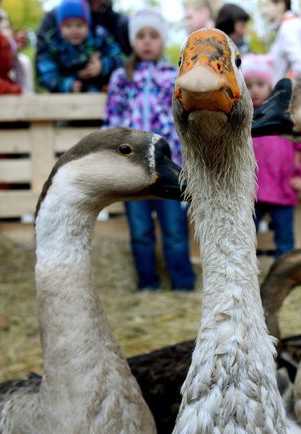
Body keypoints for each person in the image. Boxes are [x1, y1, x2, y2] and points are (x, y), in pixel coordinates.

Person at [105, 8, 196, 291]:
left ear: (162, 40)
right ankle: (148, 285)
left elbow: (184, 121)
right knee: (141, 232)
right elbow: (112, 121)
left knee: (174, 231)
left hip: (170, 167)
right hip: (133, 169)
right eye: (141, 36)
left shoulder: (175, 76)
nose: (147, 42)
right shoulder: (122, 77)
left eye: (153, 36)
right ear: (133, 40)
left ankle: (183, 286)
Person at [243, 54, 301, 258]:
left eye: (260, 84)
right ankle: (244, 282)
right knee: (244, 240)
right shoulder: (241, 120)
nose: (254, 90)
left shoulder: (285, 118)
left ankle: (284, 276)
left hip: (282, 190)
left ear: (270, 86)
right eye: (248, 85)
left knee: (285, 241)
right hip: (249, 193)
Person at [36, 0, 124, 93]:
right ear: (60, 27)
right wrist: (68, 84)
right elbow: (45, 73)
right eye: (68, 26)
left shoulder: (98, 36)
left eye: (79, 25)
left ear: (88, 25)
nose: (74, 30)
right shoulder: (53, 43)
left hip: (98, 93)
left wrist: (102, 65)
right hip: (64, 97)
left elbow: (120, 59)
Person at [261, 0, 301, 82]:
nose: (263, 11)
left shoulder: (289, 28)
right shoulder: (286, 28)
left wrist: (283, 90)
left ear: (281, 5)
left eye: (266, 5)